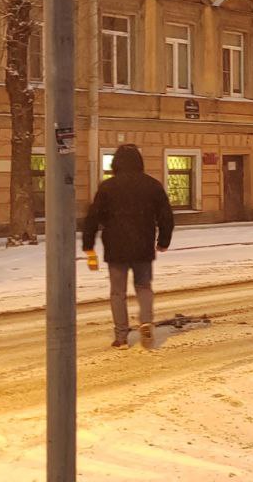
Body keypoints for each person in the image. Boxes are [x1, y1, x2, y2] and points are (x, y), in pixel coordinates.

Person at [83, 144, 174, 350]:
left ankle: (121, 337)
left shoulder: (108, 187)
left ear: (116, 163)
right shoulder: (152, 185)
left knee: (118, 293)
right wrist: (163, 241)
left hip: (116, 247)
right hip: (143, 245)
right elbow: (166, 216)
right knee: (143, 287)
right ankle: (146, 323)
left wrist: (89, 246)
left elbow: (92, 218)